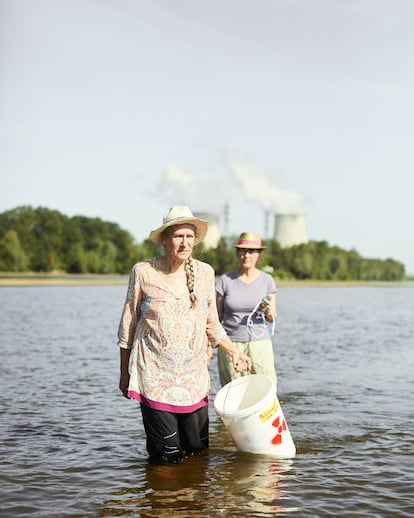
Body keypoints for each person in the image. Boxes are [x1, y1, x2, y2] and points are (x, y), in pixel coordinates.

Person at [117, 205, 251, 464]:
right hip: (154, 376)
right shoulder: (143, 271)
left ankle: (192, 502)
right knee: (167, 456)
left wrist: (233, 351)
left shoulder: (204, 273)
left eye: (189, 237)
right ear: (165, 239)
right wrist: (124, 373)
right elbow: (128, 325)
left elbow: (212, 322)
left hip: (194, 379)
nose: (184, 242)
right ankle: (163, 501)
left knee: (197, 453)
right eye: (178, 236)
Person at [215, 231, 278, 387]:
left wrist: (266, 310)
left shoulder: (267, 280)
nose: (246, 255)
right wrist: (211, 345)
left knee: (265, 387)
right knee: (234, 390)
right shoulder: (225, 280)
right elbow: (216, 318)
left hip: (259, 344)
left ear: (259, 255)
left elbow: (273, 318)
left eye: (251, 251)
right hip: (231, 345)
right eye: (242, 251)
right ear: (237, 254)